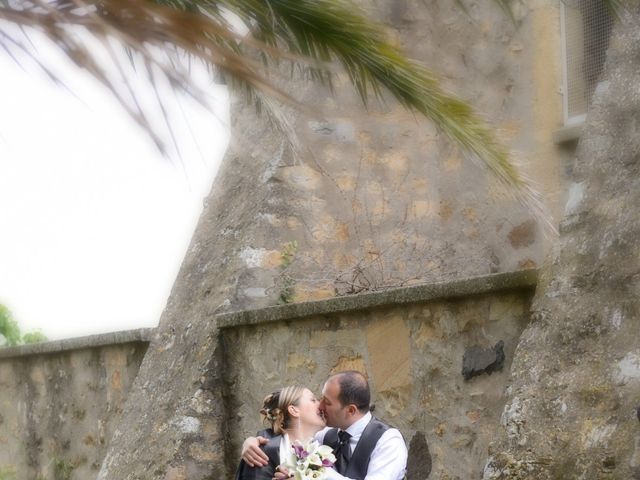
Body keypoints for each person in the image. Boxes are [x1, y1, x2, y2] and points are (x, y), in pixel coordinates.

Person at [241, 371, 407, 480]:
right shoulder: (326, 435)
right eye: (316, 399)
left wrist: (318, 474)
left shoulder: (388, 441)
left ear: (350, 410)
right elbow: (290, 436)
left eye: (326, 402)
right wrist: (253, 441)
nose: (320, 406)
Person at [235, 385, 327, 480]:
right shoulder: (261, 453)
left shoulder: (328, 447)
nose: (320, 405)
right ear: (294, 410)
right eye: (313, 400)